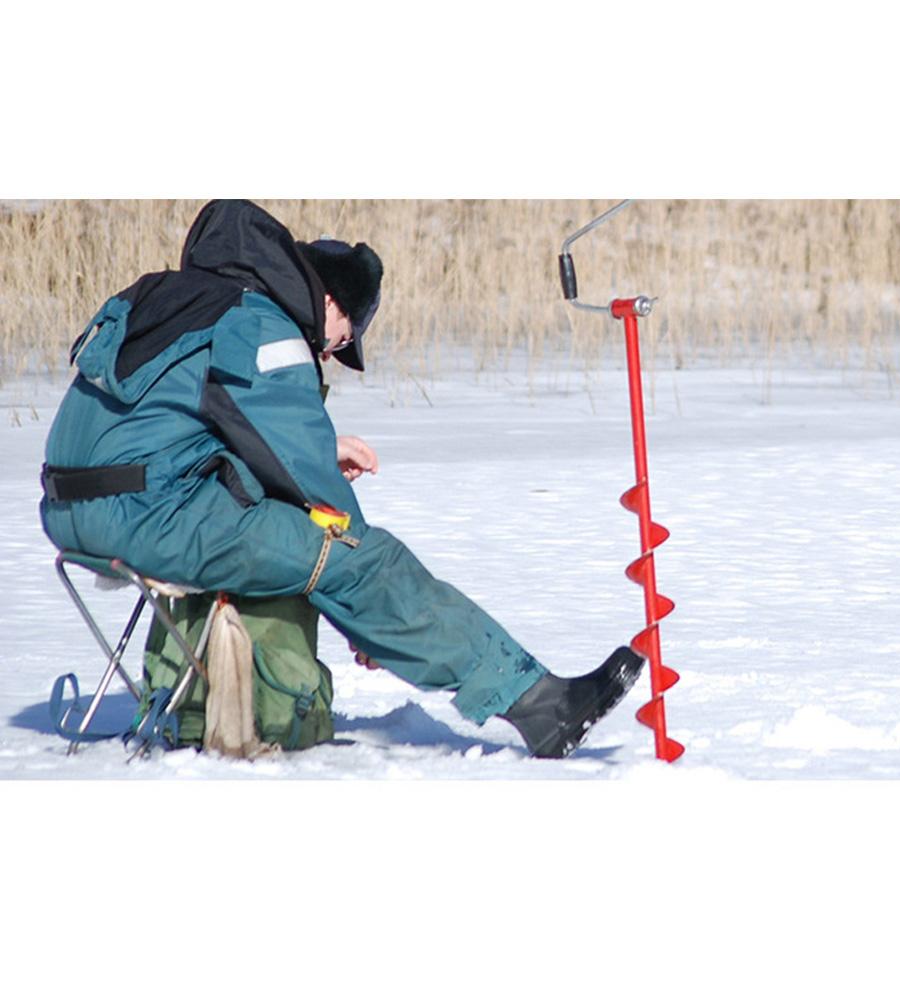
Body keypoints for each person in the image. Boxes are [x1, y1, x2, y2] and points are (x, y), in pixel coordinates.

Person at [39, 199, 642, 759]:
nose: (329, 354)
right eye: (343, 340)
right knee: (361, 557)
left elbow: (190, 425)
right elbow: (313, 492)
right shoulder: (264, 326)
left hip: (77, 511)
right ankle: (544, 706)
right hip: (149, 519)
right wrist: (363, 597)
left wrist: (322, 450)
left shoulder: (187, 297)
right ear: (331, 302)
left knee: (313, 544)